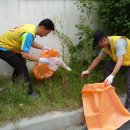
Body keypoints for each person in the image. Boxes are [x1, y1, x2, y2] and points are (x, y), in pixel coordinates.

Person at [0, 18, 55, 98]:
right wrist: (40, 60)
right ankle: (30, 92)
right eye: (47, 32)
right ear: (42, 28)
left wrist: (43, 47)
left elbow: (30, 42)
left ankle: (13, 83)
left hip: (8, 47)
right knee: (21, 65)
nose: (46, 35)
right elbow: (25, 54)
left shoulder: (31, 28)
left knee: (20, 62)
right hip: (3, 48)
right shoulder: (29, 34)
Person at [81, 30, 130, 111]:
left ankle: (128, 107)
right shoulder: (106, 47)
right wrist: (88, 71)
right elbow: (98, 59)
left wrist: (112, 75)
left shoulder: (118, 43)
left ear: (103, 40)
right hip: (122, 61)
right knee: (108, 66)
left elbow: (120, 60)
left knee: (129, 84)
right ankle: (112, 96)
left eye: (98, 44)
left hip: (127, 61)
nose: (98, 46)